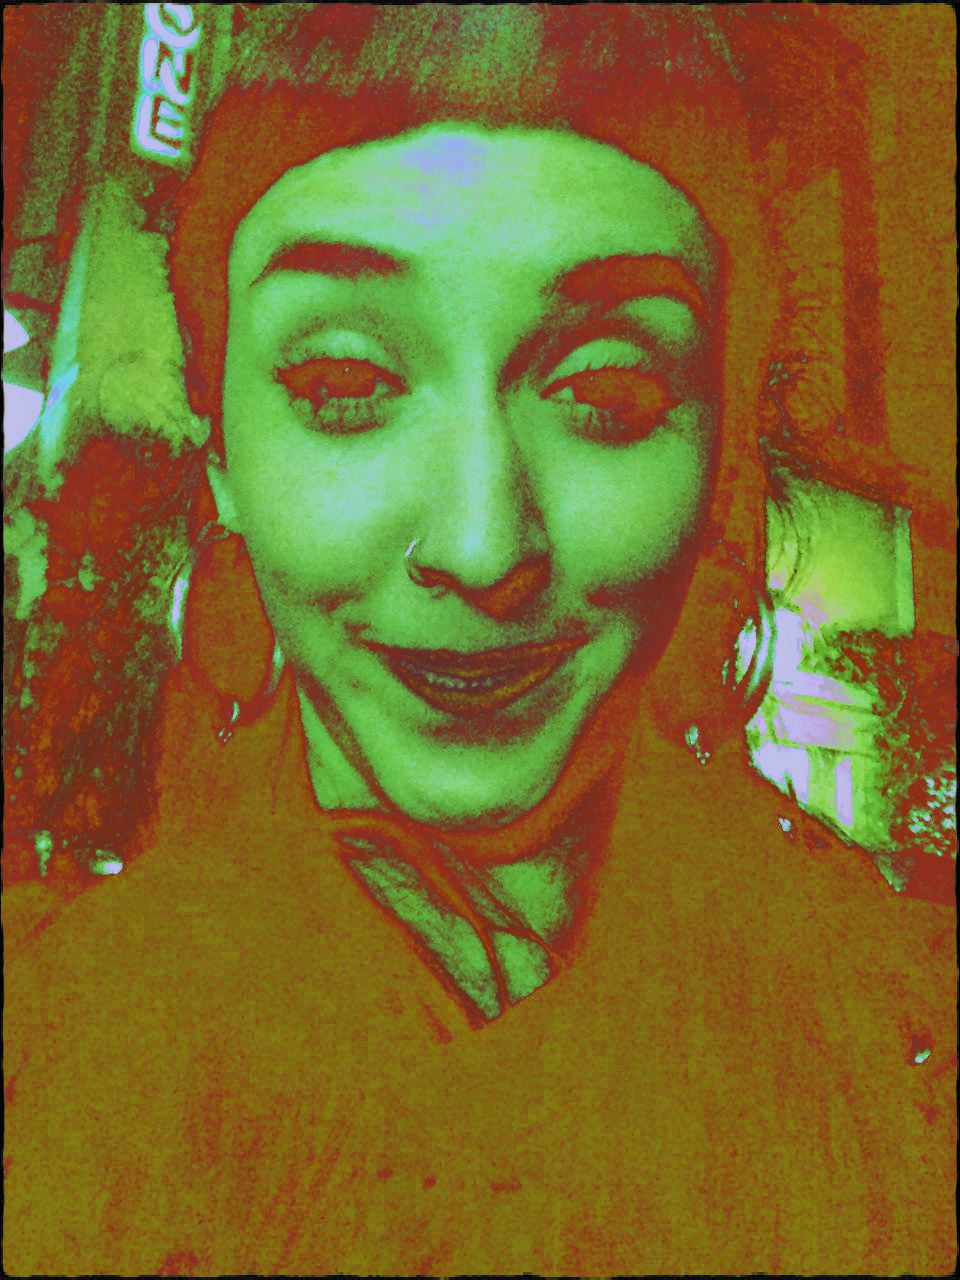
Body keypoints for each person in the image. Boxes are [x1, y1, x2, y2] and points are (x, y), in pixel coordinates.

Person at [3, 6, 955, 1275]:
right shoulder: (49, 1052)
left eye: (606, 393)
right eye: (345, 388)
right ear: (221, 457)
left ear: (717, 458)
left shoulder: (904, 1055)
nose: (480, 543)